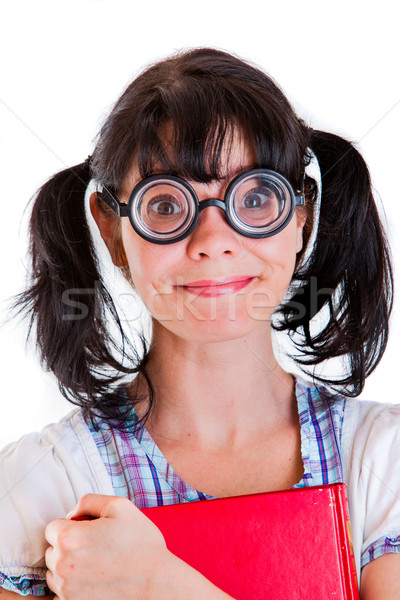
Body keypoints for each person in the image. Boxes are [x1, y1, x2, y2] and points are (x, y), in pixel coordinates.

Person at [0, 47, 398, 600]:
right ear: (113, 232)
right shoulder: (38, 490)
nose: (214, 242)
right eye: (166, 206)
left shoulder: (383, 460)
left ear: (302, 216)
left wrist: (156, 584)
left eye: (256, 197)